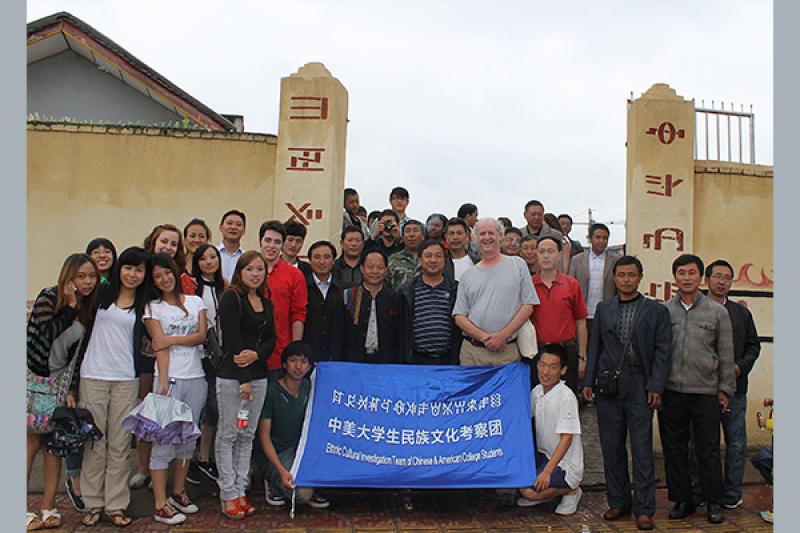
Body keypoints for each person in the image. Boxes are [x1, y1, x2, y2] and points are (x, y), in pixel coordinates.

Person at [581, 256, 672, 531]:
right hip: (608, 386)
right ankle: (618, 501)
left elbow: (662, 352)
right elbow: (595, 347)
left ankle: (645, 509)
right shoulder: (604, 308)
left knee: (642, 449)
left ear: (640, 277)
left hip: (640, 385)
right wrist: (588, 381)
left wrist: (656, 386)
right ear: (615, 278)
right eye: (621, 275)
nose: (626, 280)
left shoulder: (656, 311)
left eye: (631, 275)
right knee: (611, 446)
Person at [75, 247, 150, 527]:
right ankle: (93, 503)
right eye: (128, 267)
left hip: (125, 378)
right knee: (94, 442)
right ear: (120, 269)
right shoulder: (100, 295)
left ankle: (116, 504)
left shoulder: (145, 304)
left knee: (120, 444)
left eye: (139, 269)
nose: (132, 274)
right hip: (93, 375)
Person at [659, 254, 735, 524]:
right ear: (675, 277)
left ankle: (714, 501)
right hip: (671, 391)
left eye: (692, 273)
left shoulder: (717, 312)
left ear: (701, 278)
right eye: (682, 273)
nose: (687, 278)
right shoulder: (664, 311)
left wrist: (725, 389)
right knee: (675, 448)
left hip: (705, 392)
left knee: (709, 449)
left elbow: (726, 354)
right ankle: (683, 500)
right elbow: (659, 353)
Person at [27, 254, 99, 531]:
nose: (88, 281)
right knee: (31, 443)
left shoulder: (87, 307)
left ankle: (48, 506)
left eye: (92, 276)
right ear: (68, 276)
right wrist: (69, 307)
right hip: (34, 380)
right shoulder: (49, 297)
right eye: (81, 276)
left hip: (59, 382)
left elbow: (78, 354)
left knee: (52, 446)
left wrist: (71, 387)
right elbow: (47, 332)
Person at [143, 254, 208, 525]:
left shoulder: (195, 301)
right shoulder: (152, 307)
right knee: (164, 440)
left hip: (197, 377)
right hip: (170, 380)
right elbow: (159, 346)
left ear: (176, 272)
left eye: (167, 273)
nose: (164, 279)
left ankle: (178, 492)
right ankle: (160, 503)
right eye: (158, 276)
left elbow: (201, 336)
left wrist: (169, 339)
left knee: (188, 439)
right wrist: (163, 382)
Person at [215, 251, 276, 519]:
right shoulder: (232, 298)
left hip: (259, 375)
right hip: (234, 376)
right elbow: (233, 340)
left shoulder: (265, 300)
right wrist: (244, 379)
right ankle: (227, 492)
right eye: (250, 269)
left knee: (247, 434)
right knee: (228, 434)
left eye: (260, 269)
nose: (255, 274)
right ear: (240, 271)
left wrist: (258, 355)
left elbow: (272, 339)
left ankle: (241, 490)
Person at [701, 259, 761, 509]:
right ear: (707, 280)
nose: (722, 281)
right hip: (702, 390)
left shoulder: (741, 313)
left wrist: (739, 367)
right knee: (703, 443)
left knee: (736, 443)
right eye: (717, 276)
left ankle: (733, 492)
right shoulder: (696, 309)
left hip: (735, 389)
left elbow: (753, 346)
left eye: (727, 277)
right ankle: (703, 490)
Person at [132, 223, 187, 491]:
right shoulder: (139, 272)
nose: (168, 247)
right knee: (147, 411)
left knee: (171, 415)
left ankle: (168, 472)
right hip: (143, 353)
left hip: (175, 357)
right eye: (164, 241)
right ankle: (142, 468)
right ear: (153, 241)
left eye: (174, 244)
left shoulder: (178, 276)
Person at [452, 218, 537, 366]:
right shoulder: (467, 275)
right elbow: (459, 316)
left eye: (491, 233)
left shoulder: (517, 265)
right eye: (482, 234)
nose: (486, 238)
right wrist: (485, 338)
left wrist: (503, 336)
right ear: (475, 239)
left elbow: (528, 304)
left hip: (506, 351)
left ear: (500, 236)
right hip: (472, 353)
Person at [256, 341, 330, 509]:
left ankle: (308, 485)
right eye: (293, 361)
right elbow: (264, 436)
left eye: (304, 362)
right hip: (277, 454)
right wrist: (281, 470)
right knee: (302, 495)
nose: (298, 367)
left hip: (300, 451)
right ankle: (272, 482)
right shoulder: (272, 391)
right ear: (284, 364)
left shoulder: (309, 387)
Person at [517, 344, 583, 515]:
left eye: (553, 367)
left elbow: (567, 438)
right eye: (542, 365)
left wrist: (547, 472)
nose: (545, 372)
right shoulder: (537, 391)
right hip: (543, 456)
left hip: (564, 465)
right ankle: (546, 491)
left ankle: (572, 490)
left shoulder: (566, 397)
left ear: (563, 370)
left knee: (529, 492)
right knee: (517, 477)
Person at [182, 244, 226, 487]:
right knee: (193, 409)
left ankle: (204, 457)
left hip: (217, 356)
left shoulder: (224, 286)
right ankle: (186, 462)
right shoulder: (190, 287)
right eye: (204, 259)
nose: (209, 262)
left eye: (213, 257)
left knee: (212, 408)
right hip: (193, 354)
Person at [531, 236, 588, 393]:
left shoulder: (572, 284)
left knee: (565, 401)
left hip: (566, 352)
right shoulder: (528, 285)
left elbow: (581, 321)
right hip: (537, 352)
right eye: (541, 251)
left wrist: (582, 357)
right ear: (536, 254)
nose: (546, 255)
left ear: (559, 255)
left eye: (550, 251)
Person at [337, 250, 406, 363]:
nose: (375, 271)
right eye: (370, 267)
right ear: (362, 269)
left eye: (380, 267)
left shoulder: (396, 298)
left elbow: (401, 335)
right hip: (354, 360)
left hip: (386, 360)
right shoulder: (348, 295)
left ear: (386, 270)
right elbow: (339, 334)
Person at [398, 240, 461, 365]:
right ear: (420, 260)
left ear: (445, 260)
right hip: (416, 360)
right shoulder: (407, 290)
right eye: (428, 256)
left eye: (438, 256)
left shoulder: (456, 289)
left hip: (448, 360)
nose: (433, 260)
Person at [259, 220, 308, 378]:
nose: (271, 246)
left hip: (280, 353)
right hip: (251, 353)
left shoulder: (294, 275)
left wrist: (295, 350)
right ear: (260, 241)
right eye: (268, 240)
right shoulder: (248, 270)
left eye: (277, 242)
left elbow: (298, 313)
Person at [568, 223, 618, 339]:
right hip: (582, 314)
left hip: (606, 314)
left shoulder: (615, 261)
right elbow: (570, 286)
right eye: (598, 237)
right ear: (590, 238)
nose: (601, 241)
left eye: (605, 238)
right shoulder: (577, 260)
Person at [303, 240, 343, 362]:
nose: (322, 262)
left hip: (337, 355)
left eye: (327, 257)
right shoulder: (302, 287)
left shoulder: (344, 289)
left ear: (333, 260)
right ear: (309, 261)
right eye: (317, 257)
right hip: (307, 356)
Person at [387, 219, 424, 289]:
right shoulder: (392, 260)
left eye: (415, 231)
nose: (411, 234)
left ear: (423, 236)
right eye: (407, 231)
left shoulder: (430, 258)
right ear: (403, 237)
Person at [443, 217, 479, 282]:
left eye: (459, 233)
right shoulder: (440, 263)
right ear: (445, 237)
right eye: (451, 233)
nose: (455, 237)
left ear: (467, 236)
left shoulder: (477, 262)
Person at [217, 209, 247, 282]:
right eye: (229, 223)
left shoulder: (246, 257)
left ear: (244, 231)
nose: (233, 227)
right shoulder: (213, 254)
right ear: (221, 228)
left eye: (238, 224)